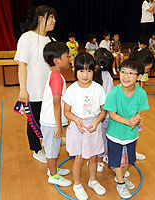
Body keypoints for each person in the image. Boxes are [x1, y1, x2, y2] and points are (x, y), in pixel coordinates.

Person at [14, 5, 56, 163]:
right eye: (50, 17)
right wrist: (23, 90)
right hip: (34, 91)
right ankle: (36, 149)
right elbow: (22, 65)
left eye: (54, 18)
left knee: (48, 118)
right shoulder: (27, 37)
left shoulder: (51, 40)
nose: (54, 21)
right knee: (33, 120)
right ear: (40, 18)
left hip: (49, 90)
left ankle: (48, 139)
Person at [63, 53, 107, 200]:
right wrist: (76, 120)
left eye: (89, 71)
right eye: (81, 70)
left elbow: (104, 110)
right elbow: (67, 111)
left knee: (94, 156)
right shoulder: (71, 89)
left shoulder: (98, 88)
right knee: (79, 158)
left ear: (94, 71)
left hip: (94, 126)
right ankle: (77, 184)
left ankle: (93, 180)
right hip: (78, 127)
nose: (85, 75)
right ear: (75, 70)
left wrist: (97, 122)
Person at [104, 59, 149, 199]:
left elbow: (139, 111)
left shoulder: (141, 93)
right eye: (123, 72)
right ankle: (121, 183)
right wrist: (128, 121)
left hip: (131, 134)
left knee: (129, 160)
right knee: (117, 161)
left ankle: (120, 177)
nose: (125, 76)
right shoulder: (114, 93)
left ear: (139, 77)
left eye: (131, 73)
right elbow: (112, 114)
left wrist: (138, 119)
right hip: (115, 134)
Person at [40, 41, 72, 186]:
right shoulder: (57, 78)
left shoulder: (54, 74)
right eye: (67, 55)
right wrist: (59, 126)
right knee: (52, 149)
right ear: (57, 60)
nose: (70, 58)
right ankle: (53, 175)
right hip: (52, 122)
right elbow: (56, 103)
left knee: (53, 146)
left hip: (51, 120)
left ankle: (53, 169)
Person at [94, 48, 114, 172]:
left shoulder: (95, 75)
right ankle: (106, 158)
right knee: (107, 138)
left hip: (98, 115)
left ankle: (100, 161)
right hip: (107, 115)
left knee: (99, 139)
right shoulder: (109, 76)